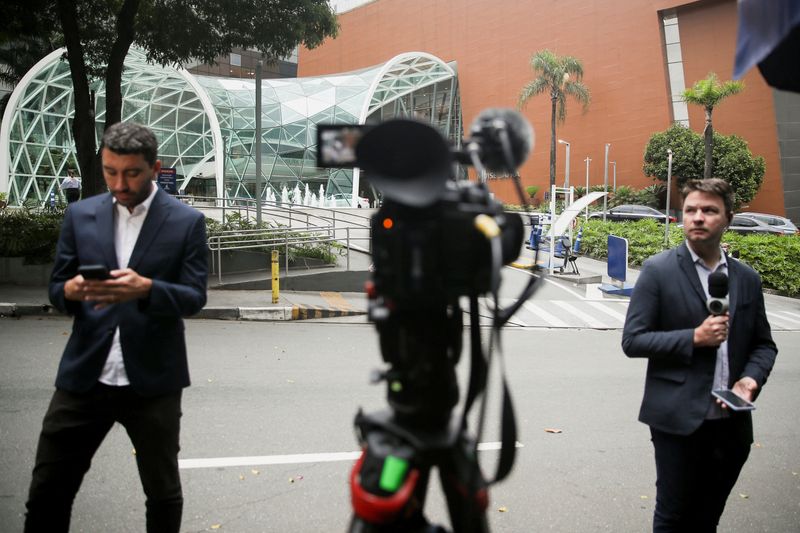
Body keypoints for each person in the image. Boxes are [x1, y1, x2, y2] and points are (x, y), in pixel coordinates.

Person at [24, 122, 208, 533]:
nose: (120, 183)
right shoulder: (80, 215)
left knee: (162, 495)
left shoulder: (186, 222)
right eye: (110, 172)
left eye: (131, 173)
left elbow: (195, 298)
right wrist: (70, 290)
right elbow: (57, 288)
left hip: (154, 383)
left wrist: (147, 289)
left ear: (154, 167)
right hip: (84, 377)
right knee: (48, 491)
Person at [622, 178, 777, 532]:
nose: (698, 217)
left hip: (732, 426)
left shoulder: (747, 279)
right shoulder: (658, 270)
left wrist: (750, 381)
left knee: (708, 519)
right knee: (673, 518)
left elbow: (763, 345)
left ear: (728, 219)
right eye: (691, 210)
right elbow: (633, 340)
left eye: (709, 210)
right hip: (677, 422)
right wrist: (694, 337)